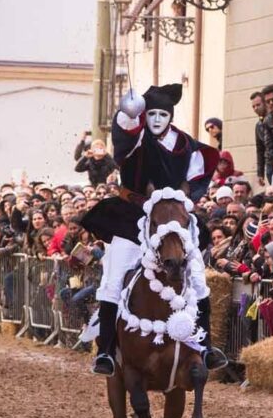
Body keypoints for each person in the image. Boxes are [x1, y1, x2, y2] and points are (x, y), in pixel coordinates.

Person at [83, 85, 224, 377]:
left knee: (198, 278)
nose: (157, 120)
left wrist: (182, 201)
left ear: (170, 117)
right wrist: (129, 111)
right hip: (132, 216)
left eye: (163, 115)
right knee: (114, 278)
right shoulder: (136, 136)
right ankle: (106, 351)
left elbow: (194, 178)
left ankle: (206, 347)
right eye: (152, 114)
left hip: (173, 218)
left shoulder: (185, 144)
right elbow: (125, 130)